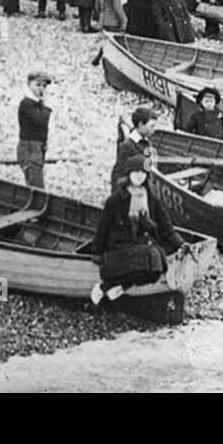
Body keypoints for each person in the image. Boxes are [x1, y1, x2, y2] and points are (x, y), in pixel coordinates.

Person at [89, 155, 184, 304]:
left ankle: (117, 285)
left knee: (156, 269)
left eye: (143, 173)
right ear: (128, 175)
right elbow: (103, 227)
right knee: (151, 257)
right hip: (120, 245)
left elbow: (166, 226)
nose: (139, 177)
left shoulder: (152, 198)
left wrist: (181, 244)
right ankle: (103, 287)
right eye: (135, 173)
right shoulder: (116, 200)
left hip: (143, 243)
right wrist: (96, 251)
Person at [17, 71, 53, 189]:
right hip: (30, 148)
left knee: (34, 186)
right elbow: (40, 120)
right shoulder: (26, 103)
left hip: (36, 148)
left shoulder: (35, 104)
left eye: (44, 86)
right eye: (38, 85)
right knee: (37, 188)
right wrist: (46, 105)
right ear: (29, 84)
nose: (41, 88)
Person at [112, 106, 158, 188]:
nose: (153, 130)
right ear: (141, 124)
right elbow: (117, 174)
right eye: (151, 126)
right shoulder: (127, 146)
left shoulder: (148, 142)